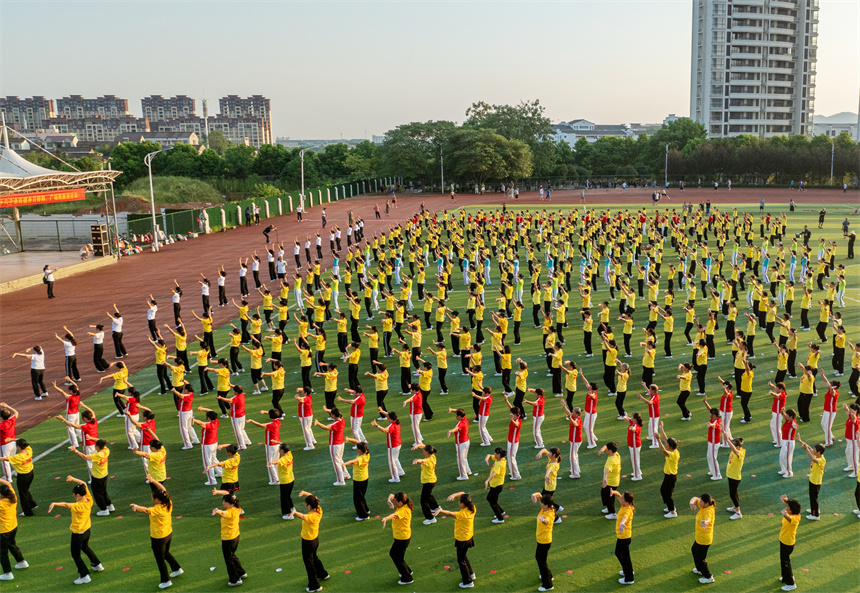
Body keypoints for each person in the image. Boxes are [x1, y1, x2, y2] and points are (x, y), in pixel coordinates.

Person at [49, 476, 104, 585]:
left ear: (78, 495)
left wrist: (54, 503)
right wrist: (73, 479)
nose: (73, 496)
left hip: (78, 533)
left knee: (76, 555)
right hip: (87, 530)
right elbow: (84, 483)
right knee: (85, 547)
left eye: (74, 494)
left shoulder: (78, 506)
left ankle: (84, 575)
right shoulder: (89, 500)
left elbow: (66, 504)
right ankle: (97, 565)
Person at [130, 478, 183, 589]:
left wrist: (136, 507)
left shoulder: (157, 509)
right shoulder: (168, 503)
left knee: (160, 559)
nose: (152, 499)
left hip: (159, 537)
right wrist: (153, 481)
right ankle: (176, 569)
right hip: (168, 533)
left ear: (157, 499)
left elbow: (146, 510)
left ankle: (166, 580)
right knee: (166, 553)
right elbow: (163, 489)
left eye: (153, 497)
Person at [433, 492, 477, 589]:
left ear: (463, 504)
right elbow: (463, 493)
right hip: (468, 537)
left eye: (459, 501)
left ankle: (468, 581)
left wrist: (441, 511)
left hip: (462, 539)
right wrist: (453, 495)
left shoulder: (463, 514)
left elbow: (451, 514)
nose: (458, 502)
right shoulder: (472, 507)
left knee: (461, 560)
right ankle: (471, 573)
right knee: (463, 556)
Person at [293, 490, 329, 593]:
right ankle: (323, 574)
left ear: (309, 506)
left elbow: (303, 516)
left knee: (309, 563)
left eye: (306, 504)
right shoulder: (318, 510)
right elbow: (314, 498)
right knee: (314, 558)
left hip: (308, 542)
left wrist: (295, 513)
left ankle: (314, 585)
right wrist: (305, 493)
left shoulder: (311, 516)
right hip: (315, 540)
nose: (305, 506)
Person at [212, 489, 245, 587]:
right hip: (235, 536)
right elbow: (227, 493)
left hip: (228, 539)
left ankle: (235, 580)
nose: (223, 502)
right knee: (232, 556)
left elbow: (224, 514)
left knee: (228, 559)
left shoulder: (230, 512)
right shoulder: (237, 508)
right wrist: (218, 492)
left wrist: (217, 511)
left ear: (228, 503)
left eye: (224, 501)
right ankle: (241, 572)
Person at [381, 492, 413, 585]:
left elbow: (394, 515)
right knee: (395, 555)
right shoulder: (402, 504)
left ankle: (407, 578)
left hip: (402, 538)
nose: (394, 503)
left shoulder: (404, 511)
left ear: (400, 502)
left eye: (395, 502)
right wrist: (389, 501)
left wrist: (386, 518)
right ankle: (407, 571)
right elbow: (391, 495)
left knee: (398, 558)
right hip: (400, 536)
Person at [0, 478, 28, 581]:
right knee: (12, 545)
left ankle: (8, 573)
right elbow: (7, 483)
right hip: (13, 527)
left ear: (2, 495)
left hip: (3, 531)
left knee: (2, 553)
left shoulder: (1, 504)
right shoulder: (13, 497)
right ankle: (22, 562)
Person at [530, 491, 556, 592]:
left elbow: (547, 521)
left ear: (546, 505)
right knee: (541, 560)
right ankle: (549, 576)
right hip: (542, 540)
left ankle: (548, 584)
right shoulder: (547, 508)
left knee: (541, 561)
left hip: (544, 542)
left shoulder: (548, 514)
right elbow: (539, 496)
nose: (540, 503)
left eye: (541, 503)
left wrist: (542, 520)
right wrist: (534, 496)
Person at [689, 493, 716, 584]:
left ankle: (708, 576)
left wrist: (705, 522)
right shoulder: (705, 506)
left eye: (701, 501)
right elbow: (695, 498)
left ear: (706, 503)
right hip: (701, 538)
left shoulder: (708, 511)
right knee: (695, 551)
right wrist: (691, 503)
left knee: (700, 558)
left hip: (704, 539)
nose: (699, 502)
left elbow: (708, 520)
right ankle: (700, 569)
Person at [655, 421, 680, 518]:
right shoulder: (673, 450)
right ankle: (670, 507)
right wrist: (661, 429)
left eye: (667, 444)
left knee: (668, 494)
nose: (666, 444)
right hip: (668, 475)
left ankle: (673, 511)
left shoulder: (673, 454)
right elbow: (666, 440)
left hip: (671, 476)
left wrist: (658, 439)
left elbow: (663, 450)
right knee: (663, 491)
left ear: (670, 446)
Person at [778, 495, 801, 591]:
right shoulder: (792, 513)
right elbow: (789, 510)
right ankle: (787, 577)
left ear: (792, 510)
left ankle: (791, 583)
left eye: (788, 508)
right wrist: (786, 501)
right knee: (784, 561)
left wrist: (784, 513)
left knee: (785, 562)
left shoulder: (795, 518)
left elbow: (789, 519)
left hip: (787, 543)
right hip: (783, 541)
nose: (786, 508)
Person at [797, 439, 825, 520]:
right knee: (812, 497)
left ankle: (815, 515)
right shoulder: (818, 455)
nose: (813, 450)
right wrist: (801, 441)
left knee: (814, 498)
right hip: (813, 479)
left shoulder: (821, 460)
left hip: (815, 482)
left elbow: (813, 459)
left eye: (815, 449)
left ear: (819, 452)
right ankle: (814, 509)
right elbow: (809, 448)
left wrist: (806, 449)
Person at [612, 489, 635, 585]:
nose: (620, 498)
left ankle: (629, 578)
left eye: (622, 497)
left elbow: (624, 518)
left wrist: (622, 524)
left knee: (621, 555)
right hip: (623, 537)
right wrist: (614, 492)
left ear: (626, 501)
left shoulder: (627, 511)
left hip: (624, 537)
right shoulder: (625, 505)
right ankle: (629, 571)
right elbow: (618, 495)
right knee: (624, 556)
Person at [412, 444, 440, 524]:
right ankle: (435, 507)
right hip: (431, 481)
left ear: (427, 452)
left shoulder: (428, 461)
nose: (423, 451)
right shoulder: (432, 456)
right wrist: (418, 446)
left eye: (424, 450)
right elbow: (424, 446)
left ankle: (430, 518)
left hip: (428, 482)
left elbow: (422, 461)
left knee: (423, 501)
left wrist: (417, 461)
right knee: (428, 495)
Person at [723, 431, 746, 520]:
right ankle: (735, 507)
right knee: (734, 494)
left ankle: (738, 512)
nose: (730, 447)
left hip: (735, 477)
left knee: (733, 495)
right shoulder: (737, 450)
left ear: (737, 447)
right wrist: (725, 434)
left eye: (732, 445)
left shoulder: (739, 453)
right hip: (731, 476)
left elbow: (734, 449)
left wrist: (728, 441)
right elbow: (732, 444)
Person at [483, 447, 507, 523]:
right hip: (496, 485)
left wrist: (487, 481)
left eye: (495, 453)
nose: (494, 454)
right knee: (492, 499)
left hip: (497, 486)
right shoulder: (500, 459)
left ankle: (500, 518)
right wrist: (486, 459)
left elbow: (494, 474)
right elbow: (489, 455)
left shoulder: (499, 464)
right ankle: (501, 512)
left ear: (499, 454)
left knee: (491, 501)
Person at [599, 442, 622, 518]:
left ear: (610, 450)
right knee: (604, 493)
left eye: (607, 450)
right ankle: (609, 508)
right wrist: (602, 449)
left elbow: (607, 470)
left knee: (609, 497)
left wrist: (604, 479)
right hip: (614, 480)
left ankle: (613, 513)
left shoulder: (611, 460)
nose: (606, 451)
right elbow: (606, 446)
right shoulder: (616, 454)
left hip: (611, 482)